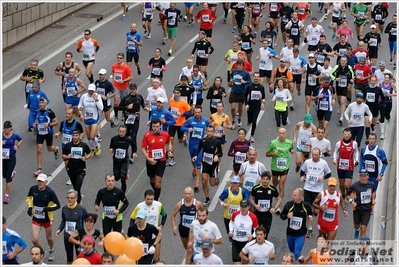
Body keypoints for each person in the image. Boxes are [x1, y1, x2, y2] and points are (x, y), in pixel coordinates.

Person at [27, 173, 60, 261]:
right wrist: (30, 207)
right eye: (39, 181)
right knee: (34, 239)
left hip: (47, 218)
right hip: (36, 218)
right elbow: (29, 197)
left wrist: (48, 208)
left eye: (42, 181)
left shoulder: (50, 192)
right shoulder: (33, 189)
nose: (40, 183)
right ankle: (41, 251)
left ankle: (52, 249)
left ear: (46, 182)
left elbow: (57, 205)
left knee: (48, 237)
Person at [300, 148, 332, 238]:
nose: (314, 157)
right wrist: (302, 177)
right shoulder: (307, 162)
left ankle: (315, 212)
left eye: (316, 155)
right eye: (313, 155)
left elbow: (329, 173)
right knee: (308, 211)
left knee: (316, 210)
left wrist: (323, 177)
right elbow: (302, 171)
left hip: (318, 190)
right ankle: (309, 229)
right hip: (308, 188)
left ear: (319, 155)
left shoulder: (323, 163)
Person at [130, 190, 167, 263]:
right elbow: (132, 219)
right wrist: (134, 231)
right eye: (148, 199)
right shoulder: (139, 206)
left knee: (156, 259)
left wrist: (161, 226)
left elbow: (164, 215)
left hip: (154, 235)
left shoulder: (158, 205)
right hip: (143, 236)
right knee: (141, 257)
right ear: (144, 198)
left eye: (152, 199)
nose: (150, 201)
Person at [141, 118, 173, 201]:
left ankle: (156, 199)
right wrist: (148, 158)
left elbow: (169, 142)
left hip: (161, 160)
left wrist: (169, 151)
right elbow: (143, 148)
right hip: (150, 160)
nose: (155, 128)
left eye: (157, 126)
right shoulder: (147, 135)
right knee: (152, 179)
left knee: (157, 183)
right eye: (153, 126)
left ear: (161, 126)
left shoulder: (165, 134)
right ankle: (156, 193)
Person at [280, 188, 313, 264]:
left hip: (300, 234)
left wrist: (310, 217)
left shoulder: (306, 206)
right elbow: (282, 215)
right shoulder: (289, 205)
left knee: (297, 251)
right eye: (293, 195)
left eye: (295, 195)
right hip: (290, 234)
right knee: (292, 252)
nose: (293, 197)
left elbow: (310, 214)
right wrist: (287, 216)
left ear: (301, 196)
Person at [192, 125, 222, 206]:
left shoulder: (217, 142)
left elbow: (221, 153)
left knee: (212, 184)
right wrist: (195, 155)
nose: (209, 133)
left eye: (211, 131)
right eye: (208, 131)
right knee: (204, 181)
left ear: (214, 132)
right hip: (205, 163)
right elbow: (199, 148)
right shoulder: (203, 140)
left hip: (213, 165)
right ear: (206, 131)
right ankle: (207, 198)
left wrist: (217, 156)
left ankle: (216, 178)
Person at [181, 106, 211, 189]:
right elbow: (182, 127)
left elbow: (211, 127)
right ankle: (194, 168)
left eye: (199, 112)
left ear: (201, 112)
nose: (197, 114)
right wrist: (187, 130)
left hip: (201, 145)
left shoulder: (205, 121)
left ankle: (197, 181)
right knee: (193, 159)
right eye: (196, 112)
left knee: (198, 162)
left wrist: (207, 134)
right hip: (192, 144)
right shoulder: (190, 120)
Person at [55, 189, 87, 264]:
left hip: (78, 237)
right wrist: (59, 229)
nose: (70, 199)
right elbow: (63, 220)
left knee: (80, 257)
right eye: (68, 198)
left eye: (72, 198)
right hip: (67, 236)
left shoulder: (81, 209)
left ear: (76, 198)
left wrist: (86, 233)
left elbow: (88, 221)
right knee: (69, 257)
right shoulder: (64, 208)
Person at [118, 83, 149, 159]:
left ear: (136, 89)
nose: (132, 91)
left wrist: (144, 107)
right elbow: (118, 107)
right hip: (127, 119)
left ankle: (133, 154)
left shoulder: (139, 97)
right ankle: (124, 151)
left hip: (136, 119)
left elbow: (142, 103)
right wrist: (126, 107)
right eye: (131, 89)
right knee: (126, 136)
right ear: (129, 89)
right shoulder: (126, 98)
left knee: (133, 136)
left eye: (133, 89)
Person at [312, 178, 348, 242]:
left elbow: (342, 202)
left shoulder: (338, 195)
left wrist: (344, 210)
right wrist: (321, 207)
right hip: (322, 222)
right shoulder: (322, 194)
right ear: (327, 185)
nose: (332, 188)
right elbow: (314, 203)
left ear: (336, 186)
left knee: (329, 243)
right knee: (322, 243)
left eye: (333, 186)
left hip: (333, 224)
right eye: (330, 186)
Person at [62, 129, 92, 203]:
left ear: (79, 136)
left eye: (76, 136)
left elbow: (90, 153)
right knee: (75, 186)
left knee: (76, 188)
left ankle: (78, 202)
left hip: (81, 169)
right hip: (71, 169)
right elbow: (63, 156)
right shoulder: (68, 145)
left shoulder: (83, 145)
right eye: (73, 136)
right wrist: (67, 157)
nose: (75, 137)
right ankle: (78, 197)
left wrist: (85, 158)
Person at [266, 128, 294, 206]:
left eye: (283, 133)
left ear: (286, 134)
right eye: (280, 133)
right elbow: (267, 153)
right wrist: (273, 154)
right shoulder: (273, 143)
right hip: (275, 167)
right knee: (275, 185)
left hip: (285, 167)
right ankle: (276, 184)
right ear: (278, 134)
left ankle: (278, 205)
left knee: (281, 185)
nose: (281, 135)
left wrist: (291, 151)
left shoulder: (289, 142)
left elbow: (291, 148)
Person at [32, 98, 59, 176]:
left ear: (45, 104)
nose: (40, 104)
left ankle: (55, 149)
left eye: (42, 103)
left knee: (49, 149)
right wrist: (35, 124)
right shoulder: (37, 111)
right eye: (39, 103)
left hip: (48, 133)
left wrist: (49, 124)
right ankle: (39, 169)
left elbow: (56, 122)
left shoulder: (50, 112)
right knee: (39, 150)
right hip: (39, 133)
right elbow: (37, 120)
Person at [346, 169, 376, 239]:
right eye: (361, 176)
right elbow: (347, 195)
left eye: (364, 176)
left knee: (364, 228)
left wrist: (373, 199)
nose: (363, 178)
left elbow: (374, 191)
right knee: (356, 225)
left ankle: (362, 247)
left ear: (367, 176)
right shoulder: (355, 185)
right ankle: (357, 230)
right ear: (358, 176)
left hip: (367, 209)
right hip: (357, 209)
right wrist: (352, 201)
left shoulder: (371, 185)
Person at [250, 171, 282, 236]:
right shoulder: (255, 188)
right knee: (255, 234)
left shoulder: (273, 189)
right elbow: (251, 199)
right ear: (261, 179)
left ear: (269, 180)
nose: (265, 181)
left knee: (265, 235)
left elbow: (279, 199)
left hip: (267, 215)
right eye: (263, 179)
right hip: (257, 214)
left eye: (267, 179)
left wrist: (275, 208)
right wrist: (255, 205)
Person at [167, 87, 192, 166]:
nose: (176, 94)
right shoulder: (171, 100)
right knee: (171, 139)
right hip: (172, 123)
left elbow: (189, 112)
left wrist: (182, 114)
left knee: (180, 140)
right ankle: (171, 158)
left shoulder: (183, 102)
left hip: (181, 124)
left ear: (180, 94)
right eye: (175, 93)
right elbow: (170, 108)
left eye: (178, 93)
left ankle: (184, 138)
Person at [229, 199, 259, 264]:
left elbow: (256, 229)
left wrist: (252, 236)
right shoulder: (235, 214)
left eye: (245, 207)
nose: (243, 208)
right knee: (236, 263)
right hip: (236, 242)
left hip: (246, 243)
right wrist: (231, 231)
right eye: (242, 206)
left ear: (248, 207)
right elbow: (231, 223)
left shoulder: (253, 217)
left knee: (245, 262)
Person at [78, 84, 103, 156]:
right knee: (89, 137)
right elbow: (79, 105)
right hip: (87, 118)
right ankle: (93, 149)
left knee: (92, 136)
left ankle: (97, 146)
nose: (91, 92)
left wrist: (96, 100)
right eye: (90, 90)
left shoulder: (97, 96)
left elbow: (101, 108)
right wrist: (81, 108)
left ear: (94, 90)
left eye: (92, 91)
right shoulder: (84, 96)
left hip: (94, 118)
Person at [109, 125, 135, 193]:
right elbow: (111, 147)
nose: (121, 133)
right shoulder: (114, 139)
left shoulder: (128, 140)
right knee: (116, 177)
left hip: (124, 160)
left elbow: (134, 146)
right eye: (120, 131)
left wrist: (134, 153)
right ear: (118, 131)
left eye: (123, 132)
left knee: (123, 179)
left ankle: (122, 194)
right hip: (116, 160)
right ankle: (123, 172)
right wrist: (111, 150)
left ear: (126, 132)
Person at [333, 128, 359, 195]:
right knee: (341, 184)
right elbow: (335, 152)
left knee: (347, 185)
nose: (346, 136)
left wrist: (356, 159)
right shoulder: (338, 143)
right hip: (340, 166)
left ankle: (348, 193)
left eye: (348, 134)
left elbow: (356, 152)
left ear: (351, 135)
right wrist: (334, 159)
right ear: (342, 135)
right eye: (345, 134)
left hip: (349, 166)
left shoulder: (354, 143)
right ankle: (343, 194)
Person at [2, 121, 22, 204]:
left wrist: (17, 146)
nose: (6, 130)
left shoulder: (14, 135)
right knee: (3, 175)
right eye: (4, 128)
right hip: (3, 158)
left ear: (10, 128)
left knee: (7, 178)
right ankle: (12, 173)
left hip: (11, 157)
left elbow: (20, 139)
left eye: (7, 128)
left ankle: (6, 195)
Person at [330, 55, 354, 124]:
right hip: (338, 86)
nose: (343, 62)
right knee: (339, 101)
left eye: (344, 61)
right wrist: (335, 78)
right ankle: (340, 107)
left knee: (343, 101)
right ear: (340, 61)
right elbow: (331, 74)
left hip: (344, 87)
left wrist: (352, 79)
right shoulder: (337, 67)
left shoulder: (349, 67)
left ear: (346, 62)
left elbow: (352, 74)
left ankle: (342, 117)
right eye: (342, 61)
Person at [110, 52, 133, 125]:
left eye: (120, 58)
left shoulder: (126, 67)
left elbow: (131, 77)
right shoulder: (114, 66)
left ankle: (123, 113)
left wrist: (124, 80)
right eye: (118, 58)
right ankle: (116, 117)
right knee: (116, 102)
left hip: (124, 87)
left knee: (124, 102)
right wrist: (111, 78)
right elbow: (113, 73)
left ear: (123, 59)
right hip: (116, 86)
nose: (119, 59)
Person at [209, 101, 232, 172]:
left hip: (222, 137)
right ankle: (212, 163)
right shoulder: (213, 116)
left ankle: (218, 165)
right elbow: (208, 125)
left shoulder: (226, 116)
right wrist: (211, 125)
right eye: (218, 106)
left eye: (220, 106)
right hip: (214, 136)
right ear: (216, 107)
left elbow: (231, 125)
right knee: (213, 151)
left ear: (223, 107)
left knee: (219, 152)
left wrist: (227, 127)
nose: (219, 108)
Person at [229, 59, 251, 129]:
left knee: (240, 107)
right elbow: (231, 76)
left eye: (241, 65)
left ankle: (240, 118)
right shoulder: (234, 71)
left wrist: (245, 82)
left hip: (241, 92)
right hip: (234, 91)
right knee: (233, 108)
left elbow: (250, 81)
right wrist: (231, 80)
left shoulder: (245, 73)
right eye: (238, 65)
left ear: (243, 66)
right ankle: (233, 120)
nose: (239, 67)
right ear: (237, 65)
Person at [94, 68, 116, 136]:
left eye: (102, 75)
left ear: (105, 75)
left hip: (106, 103)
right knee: (98, 119)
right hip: (99, 103)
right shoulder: (97, 82)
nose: (100, 76)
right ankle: (98, 134)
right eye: (100, 74)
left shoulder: (108, 84)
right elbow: (95, 90)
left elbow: (114, 93)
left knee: (107, 118)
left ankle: (112, 120)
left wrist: (107, 97)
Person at [363, 75, 385, 141]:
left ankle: (373, 127)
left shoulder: (378, 89)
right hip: (367, 108)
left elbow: (383, 98)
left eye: (374, 81)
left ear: (376, 81)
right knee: (367, 123)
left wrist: (382, 104)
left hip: (375, 107)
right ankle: (367, 138)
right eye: (372, 81)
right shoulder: (366, 88)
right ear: (370, 81)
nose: (373, 82)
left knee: (373, 122)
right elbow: (363, 97)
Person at [245, 72, 265, 142]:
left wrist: (262, 102)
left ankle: (252, 135)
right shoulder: (249, 86)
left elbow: (263, 96)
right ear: (253, 77)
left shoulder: (261, 87)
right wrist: (246, 104)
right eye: (255, 77)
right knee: (250, 119)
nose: (256, 78)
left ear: (259, 78)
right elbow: (246, 95)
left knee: (254, 120)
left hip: (257, 105)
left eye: (257, 77)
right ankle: (249, 120)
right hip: (250, 104)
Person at [379, 74, 397, 139]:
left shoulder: (392, 84)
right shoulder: (381, 84)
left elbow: (396, 93)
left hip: (389, 102)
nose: (386, 79)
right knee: (382, 117)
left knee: (387, 115)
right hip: (382, 102)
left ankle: (388, 117)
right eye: (385, 78)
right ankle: (382, 133)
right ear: (384, 78)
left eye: (387, 78)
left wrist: (391, 94)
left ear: (389, 79)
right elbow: (379, 92)